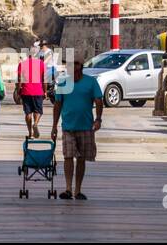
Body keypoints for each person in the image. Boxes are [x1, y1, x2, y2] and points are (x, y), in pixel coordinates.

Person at [50, 59, 103, 200]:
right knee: (68, 156)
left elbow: (99, 100)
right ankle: (68, 188)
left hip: (86, 126)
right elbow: (57, 104)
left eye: (75, 63)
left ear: (80, 67)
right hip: (68, 126)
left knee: (81, 158)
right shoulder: (63, 82)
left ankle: (78, 190)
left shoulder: (91, 82)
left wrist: (98, 119)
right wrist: (54, 126)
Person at [18, 47, 47, 139]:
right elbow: (44, 79)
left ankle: (30, 133)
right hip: (38, 90)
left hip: (26, 90)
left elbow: (19, 79)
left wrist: (19, 90)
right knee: (38, 111)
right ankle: (35, 123)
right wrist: (45, 91)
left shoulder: (22, 64)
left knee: (28, 113)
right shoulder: (41, 64)